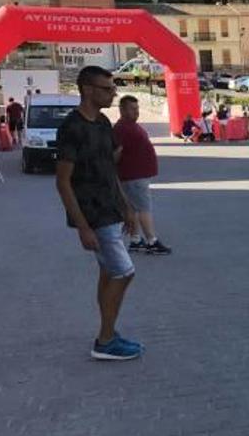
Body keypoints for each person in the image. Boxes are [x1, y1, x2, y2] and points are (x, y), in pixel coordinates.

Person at [55, 65, 143, 361]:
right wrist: (82, 226)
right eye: (107, 89)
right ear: (88, 90)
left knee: (109, 272)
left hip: (112, 209)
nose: (113, 93)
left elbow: (109, 168)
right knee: (124, 271)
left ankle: (108, 332)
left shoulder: (104, 123)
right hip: (94, 215)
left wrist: (127, 206)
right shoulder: (72, 127)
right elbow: (63, 181)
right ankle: (105, 340)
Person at [113, 95, 172, 255]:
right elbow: (116, 152)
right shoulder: (122, 128)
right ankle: (151, 241)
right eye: (132, 109)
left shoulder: (130, 126)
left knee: (132, 208)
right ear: (122, 110)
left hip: (135, 175)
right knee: (144, 208)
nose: (136, 112)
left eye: (137, 108)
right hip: (133, 176)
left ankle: (135, 240)